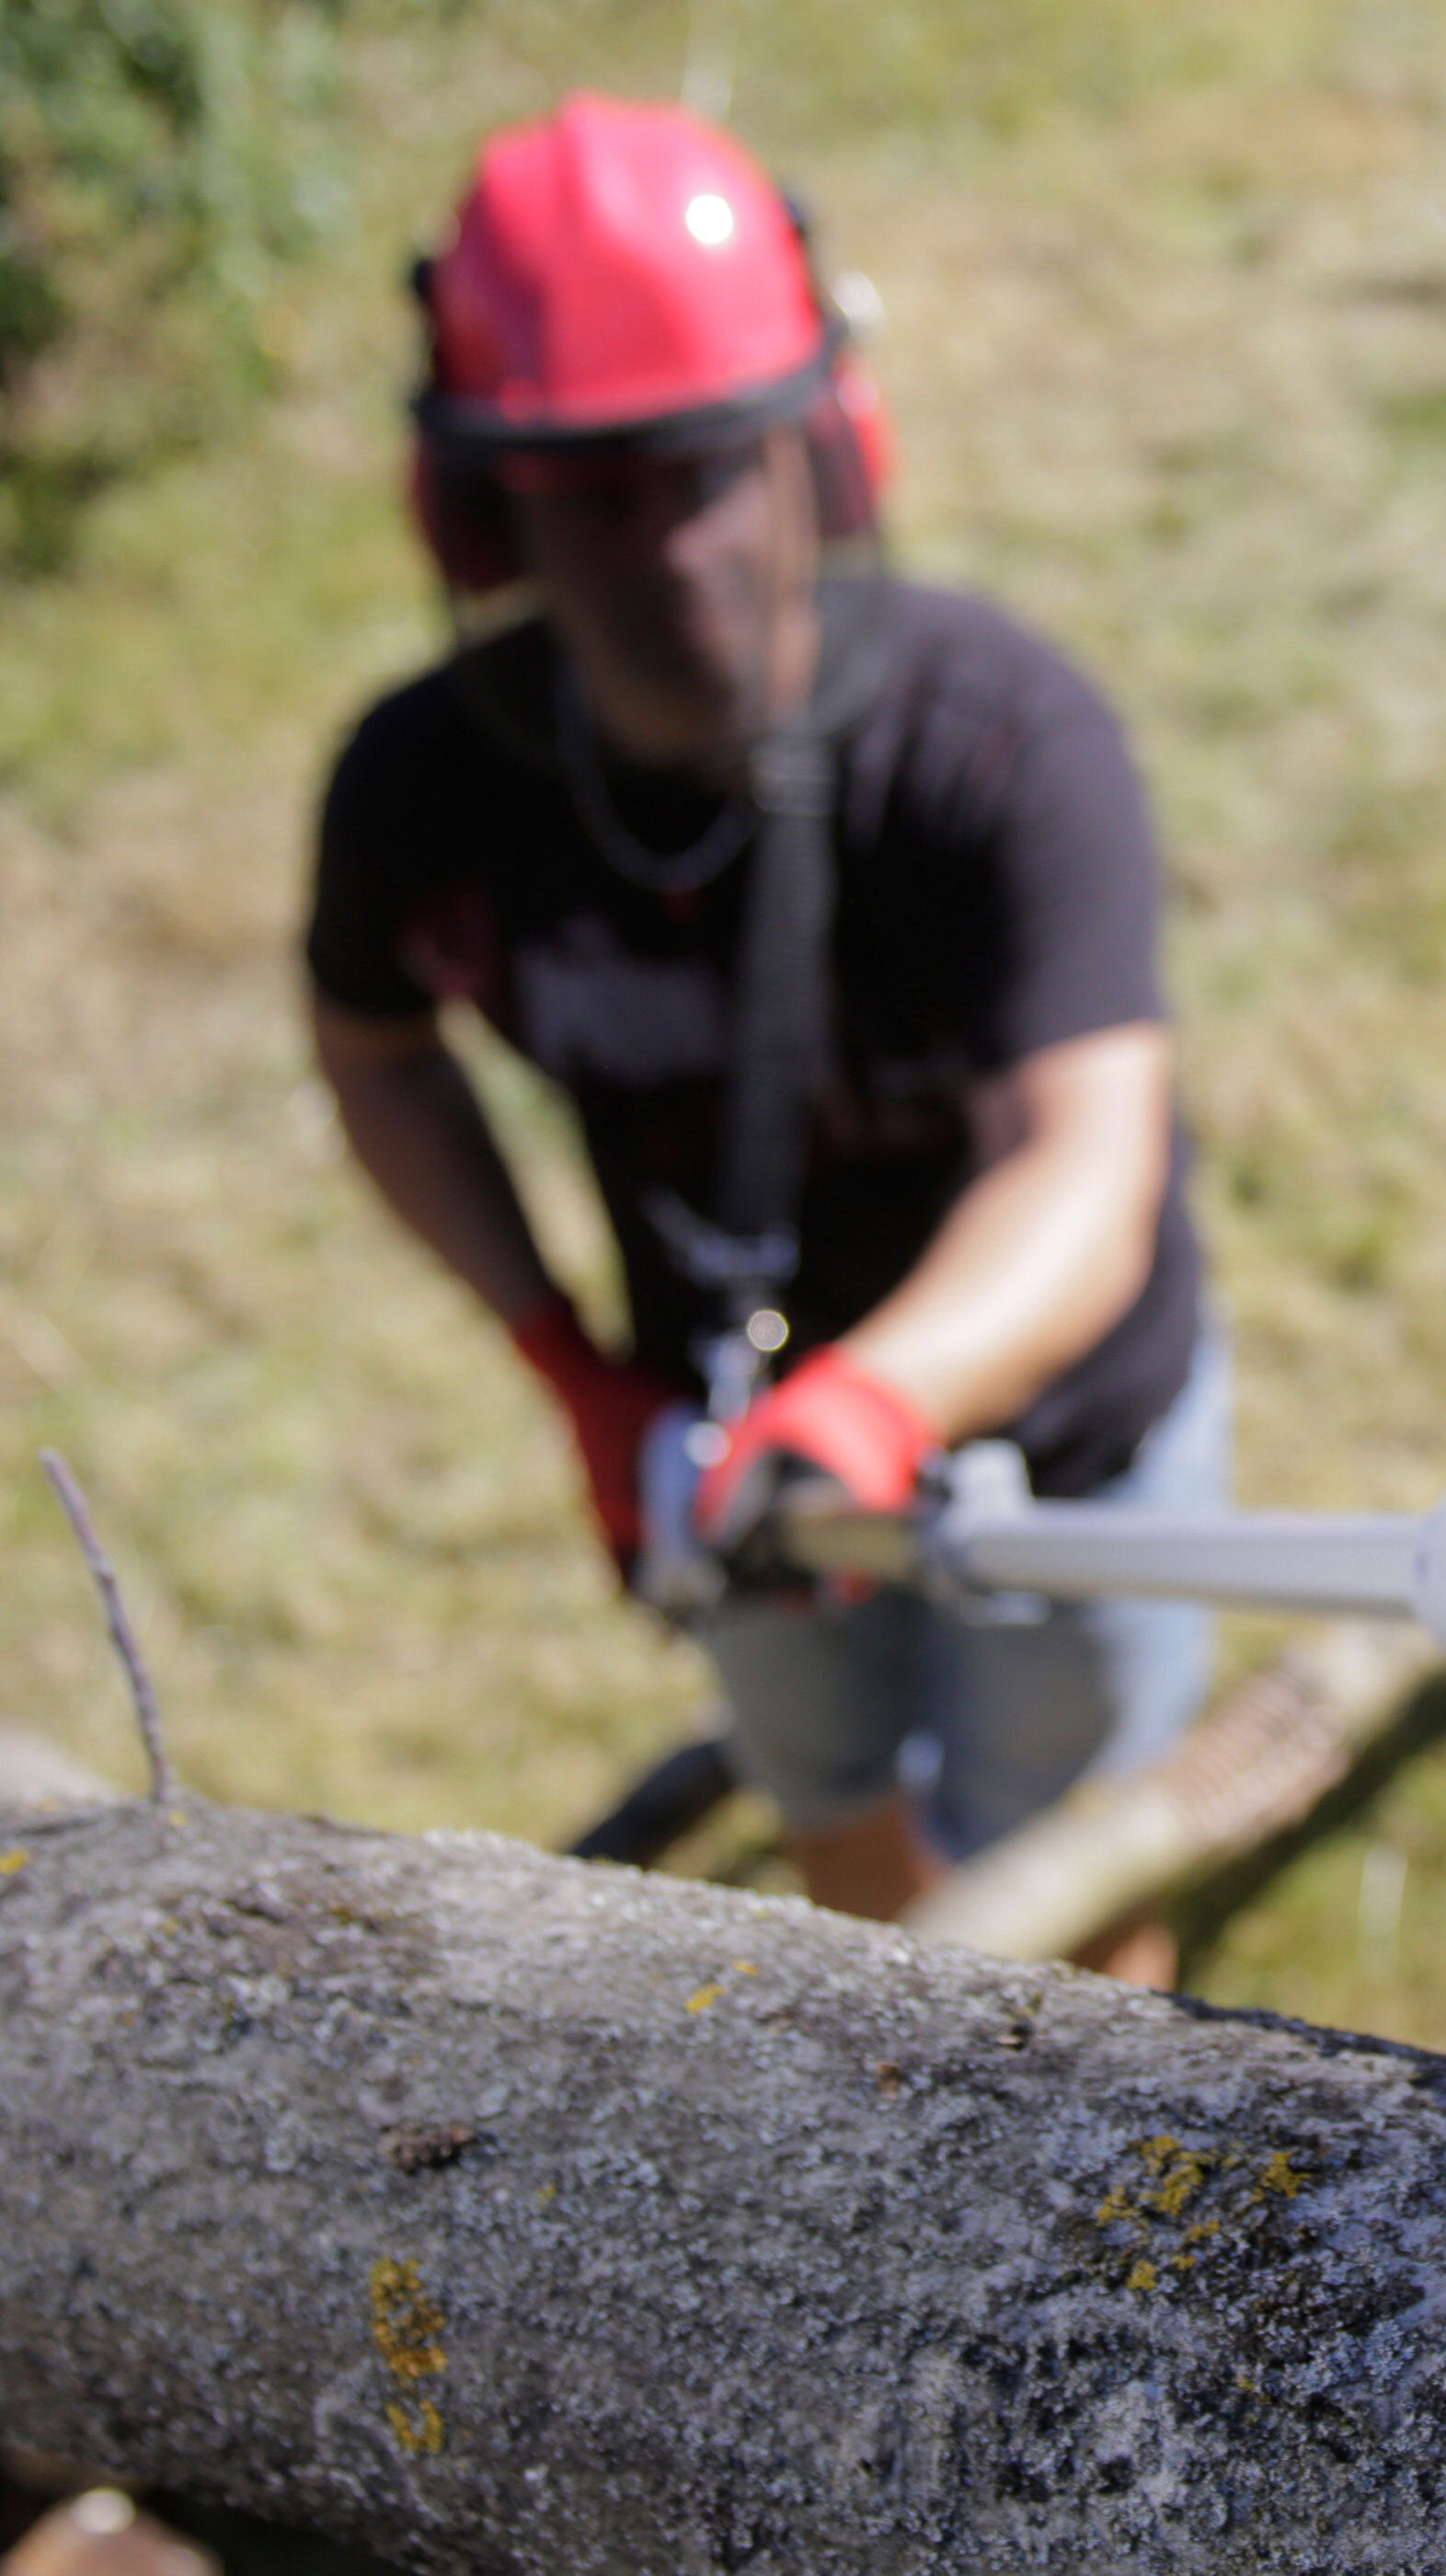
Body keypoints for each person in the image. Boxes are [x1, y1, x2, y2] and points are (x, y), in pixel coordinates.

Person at [304, 94, 1222, 1976]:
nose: (669, 550)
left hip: (1052, 1450)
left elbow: (1084, 1155)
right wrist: (566, 1357)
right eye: (596, 492)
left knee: (1068, 1848)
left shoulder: (1000, 747)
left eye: (706, 466)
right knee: (836, 1809)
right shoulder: (426, 784)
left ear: (823, 442)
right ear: (479, 509)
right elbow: (375, 1048)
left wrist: (880, 1403)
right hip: (718, 1450)